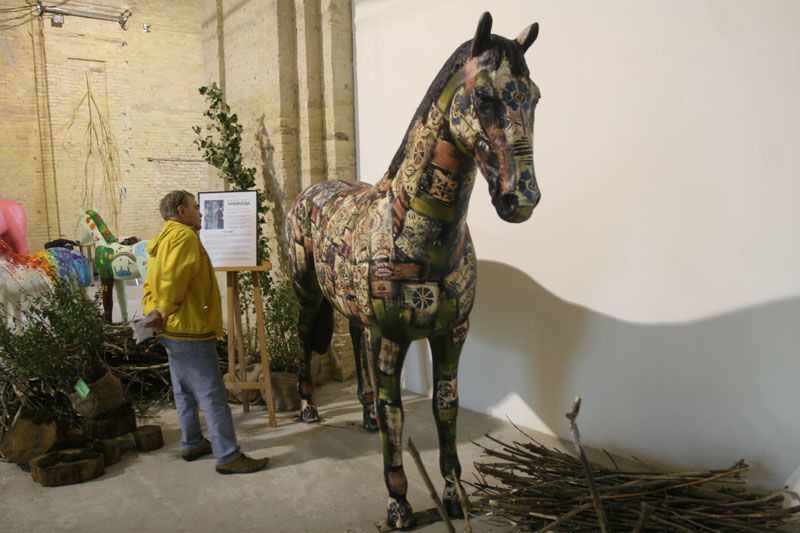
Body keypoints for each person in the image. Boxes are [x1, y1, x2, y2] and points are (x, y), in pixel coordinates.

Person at [142, 190, 269, 474]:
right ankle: (228, 456)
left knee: (184, 390)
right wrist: (164, 309)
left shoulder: (161, 240)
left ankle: (192, 442)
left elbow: (152, 281)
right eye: (195, 207)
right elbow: (175, 279)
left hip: (172, 330)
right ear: (181, 210)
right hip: (189, 329)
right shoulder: (184, 237)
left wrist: (154, 311)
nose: (200, 213)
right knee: (212, 395)